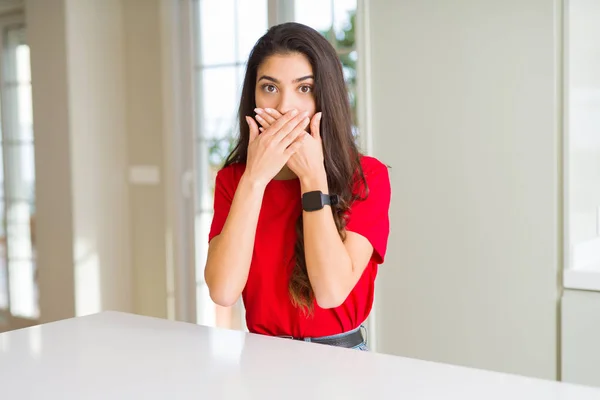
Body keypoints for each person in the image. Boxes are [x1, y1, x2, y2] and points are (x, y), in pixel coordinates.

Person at [205, 22, 391, 351]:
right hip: (261, 357)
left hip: (340, 358)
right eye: (270, 87)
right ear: (254, 96)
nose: (284, 107)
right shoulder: (234, 181)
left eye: (303, 88)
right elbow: (222, 290)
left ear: (325, 96)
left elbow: (331, 292)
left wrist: (312, 178)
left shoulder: (366, 177)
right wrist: (255, 178)